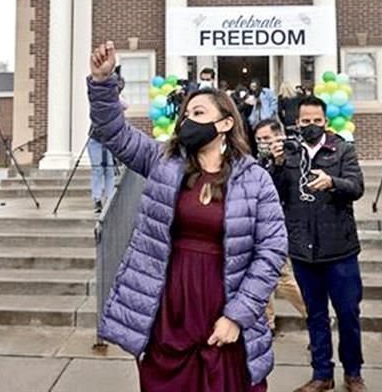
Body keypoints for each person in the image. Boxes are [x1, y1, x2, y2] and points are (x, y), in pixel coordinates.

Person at [89, 41, 286, 392]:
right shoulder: (163, 161)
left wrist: (237, 316)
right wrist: (103, 83)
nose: (186, 122)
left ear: (225, 124)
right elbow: (113, 133)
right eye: (185, 114)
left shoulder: (254, 179)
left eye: (198, 114)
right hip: (170, 308)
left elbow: (271, 252)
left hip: (223, 308)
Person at [268, 95, 367, 392]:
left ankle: (353, 373)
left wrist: (332, 182)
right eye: (305, 121)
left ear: (325, 121)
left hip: (340, 247)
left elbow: (357, 187)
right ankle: (322, 373)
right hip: (303, 249)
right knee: (315, 315)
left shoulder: (342, 150)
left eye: (317, 121)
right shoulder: (291, 154)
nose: (311, 126)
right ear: (296, 122)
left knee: (348, 314)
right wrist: (276, 164)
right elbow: (275, 194)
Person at [254, 118, 307, 333]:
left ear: (280, 137)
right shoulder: (260, 161)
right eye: (259, 139)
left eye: (267, 138)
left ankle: (313, 314)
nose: (263, 143)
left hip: (282, 226)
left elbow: (286, 191)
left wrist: (281, 163)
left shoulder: (296, 156)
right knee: (258, 276)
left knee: (282, 276)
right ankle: (267, 322)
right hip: (259, 224)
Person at [88, 70, 125, 214]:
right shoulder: (99, 102)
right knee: (98, 169)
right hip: (95, 139)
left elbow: (125, 105)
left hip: (109, 140)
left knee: (109, 169)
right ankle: (97, 198)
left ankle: (109, 199)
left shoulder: (116, 101)